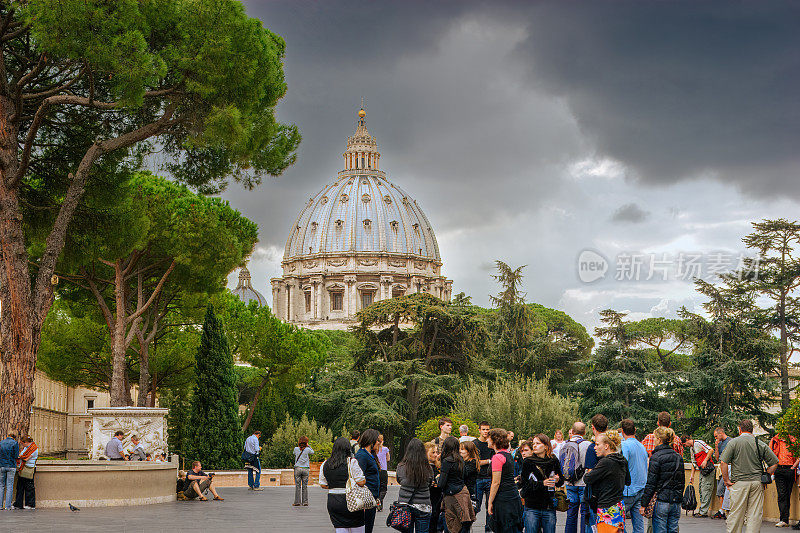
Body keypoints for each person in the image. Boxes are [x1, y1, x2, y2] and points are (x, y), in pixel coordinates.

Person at [719, 419, 778, 533]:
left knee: (736, 513)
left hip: (739, 482)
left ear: (740, 429)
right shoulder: (759, 443)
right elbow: (775, 462)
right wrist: (766, 475)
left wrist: (726, 480)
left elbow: (723, 462)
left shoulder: (734, 442)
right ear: (752, 430)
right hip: (757, 483)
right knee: (754, 515)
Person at [640, 426, 685, 533]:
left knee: (660, 529)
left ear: (659, 440)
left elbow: (651, 483)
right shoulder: (678, 457)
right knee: (673, 529)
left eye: (655, 438)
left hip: (661, 500)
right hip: (675, 501)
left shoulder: (656, 457)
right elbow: (681, 481)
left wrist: (644, 504)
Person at [583, 430, 629, 533]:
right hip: (618, 506)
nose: (595, 447)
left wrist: (589, 472)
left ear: (606, 446)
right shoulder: (622, 459)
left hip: (606, 507)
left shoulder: (605, 462)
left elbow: (587, 479)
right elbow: (628, 481)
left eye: (597, 444)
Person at [518, 434, 563, 533]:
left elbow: (561, 481)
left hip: (549, 506)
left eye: (538, 443)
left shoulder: (553, 460)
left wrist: (557, 480)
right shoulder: (528, 462)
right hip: (532, 507)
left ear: (546, 446)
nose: (534, 446)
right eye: (533, 444)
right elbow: (525, 485)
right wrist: (542, 483)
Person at [320, 437, 366, 533]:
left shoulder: (325, 464)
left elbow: (323, 484)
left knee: (340, 527)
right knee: (357, 525)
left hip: (333, 501)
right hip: (350, 499)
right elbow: (361, 482)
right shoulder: (351, 462)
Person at [486, 428, 524, 533]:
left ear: (494, 440)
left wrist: (490, 502)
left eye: (488, 438)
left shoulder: (497, 457)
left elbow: (496, 482)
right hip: (512, 496)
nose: (487, 440)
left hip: (503, 498)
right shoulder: (508, 455)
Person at [439, 436, 476, 533]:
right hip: (463, 492)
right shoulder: (460, 459)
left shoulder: (447, 461)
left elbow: (442, 483)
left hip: (451, 495)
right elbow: (465, 475)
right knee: (464, 522)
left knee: (452, 524)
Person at [560, 421, 592, 533]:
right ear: (584, 432)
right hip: (583, 482)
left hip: (569, 483)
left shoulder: (565, 444)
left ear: (572, 431)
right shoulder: (588, 445)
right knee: (584, 512)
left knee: (571, 513)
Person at [397, 438, 434, 532]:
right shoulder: (428, 467)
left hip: (406, 505)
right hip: (423, 505)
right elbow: (429, 483)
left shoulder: (401, 466)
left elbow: (399, 480)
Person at [620, 419, 648, 533]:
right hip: (641, 487)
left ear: (622, 431)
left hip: (628, 489)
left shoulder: (624, 445)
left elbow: (623, 465)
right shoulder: (642, 446)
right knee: (638, 523)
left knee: (619, 522)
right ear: (635, 430)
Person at [583, 414, 609, 530]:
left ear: (593, 428)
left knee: (593, 525)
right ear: (606, 427)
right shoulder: (613, 447)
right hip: (611, 492)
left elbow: (589, 473)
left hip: (595, 494)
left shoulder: (592, 448)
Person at [681, 434, 715, 518]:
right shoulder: (691, 449)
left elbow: (711, 450)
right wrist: (692, 475)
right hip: (702, 471)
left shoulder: (699, 443)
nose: (685, 446)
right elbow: (693, 463)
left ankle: (703, 512)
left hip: (708, 470)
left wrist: (705, 460)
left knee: (706, 489)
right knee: (701, 489)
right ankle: (701, 510)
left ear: (688, 439)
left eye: (685, 444)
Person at [355, 429, 381, 533]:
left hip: (371, 497)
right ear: (371, 441)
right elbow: (358, 477)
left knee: (369, 526)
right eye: (377, 440)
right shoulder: (362, 456)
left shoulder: (369, 454)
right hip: (366, 498)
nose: (379, 442)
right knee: (366, 527)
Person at [769, 433, 796, 527]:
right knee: (781, 495)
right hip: (779, 468)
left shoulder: (793, 439)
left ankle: (785, 520)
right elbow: (771, 454)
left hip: (790, 468)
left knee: (787, 494)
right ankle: (783, 519)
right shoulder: (775, 439)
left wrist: (793, 468)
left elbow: (798, 454)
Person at [474, 421, 495, 532]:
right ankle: (467, 527)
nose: (486, 431)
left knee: (490, 506)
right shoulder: (475, 444)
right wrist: (488, 461)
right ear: (479, 430)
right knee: (475, 506)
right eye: (484, 429)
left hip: (489, 478)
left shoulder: (491, 444)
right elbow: (475, 462)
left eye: (487, 429)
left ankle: (489, 529)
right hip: (477, 478)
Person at [13, 435, 38, 510]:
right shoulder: (26, 448)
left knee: (29, 487)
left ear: (26, 442)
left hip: (29, 469)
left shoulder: (34, 449)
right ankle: (18, 504)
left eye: (22, 443)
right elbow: (21, 455)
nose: (22, 445)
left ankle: (30, 504)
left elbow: (26, 458)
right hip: (23, 468)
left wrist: (20, 456)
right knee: (20, 487)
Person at [425, 441, 443, 533]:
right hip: (427, 498)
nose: (436, 455)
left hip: (437, 498)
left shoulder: (438, 466)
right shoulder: (423, 467)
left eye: (436, 452)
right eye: (433, 452)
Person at [294, 436, 315, 506]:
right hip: (305, 469)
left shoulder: (296, 449)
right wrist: (308, 446)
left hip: (297, 469)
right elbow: (313, 452)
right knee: (305, 486)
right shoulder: (308, 449)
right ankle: (305, 502)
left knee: (297, 486)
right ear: (306, 443)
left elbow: (294, 453)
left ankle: (297, 502)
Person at [0, 433, 19, 510]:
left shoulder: (1, 442)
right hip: (11, 466)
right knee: (9, 486)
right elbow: (16, 455)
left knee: (1, 486)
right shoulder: (15, 443)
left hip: (2, 466)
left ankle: (0, 505)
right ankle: (7, 506)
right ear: (14, 438)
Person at [376, 434, 390, 511]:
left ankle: (378, 501)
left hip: (377, 470)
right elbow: (388, 459)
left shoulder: (374, 450)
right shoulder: (385, 449)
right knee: (383, 487)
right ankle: (380, 500)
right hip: (384, 470)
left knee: (378, 487)